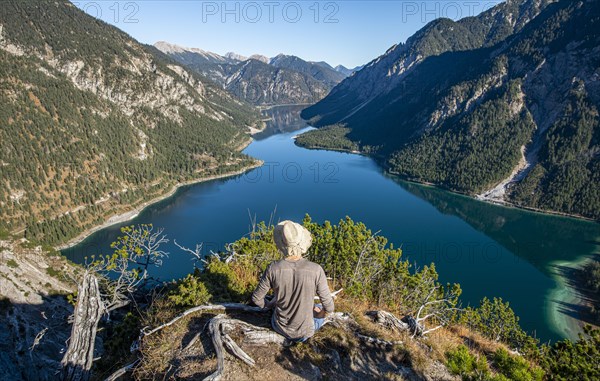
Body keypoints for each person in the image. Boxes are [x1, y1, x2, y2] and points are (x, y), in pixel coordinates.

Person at [251, 220, 334, 342]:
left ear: (283, 244)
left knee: (278, 299)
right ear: (302, 243)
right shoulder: (316, 269)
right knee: (318, 306)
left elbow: (256, 299)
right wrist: (320, 313)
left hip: (280, 328)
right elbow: (329, 307)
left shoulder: (273, 268)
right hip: (305, 333)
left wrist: (269, 305)